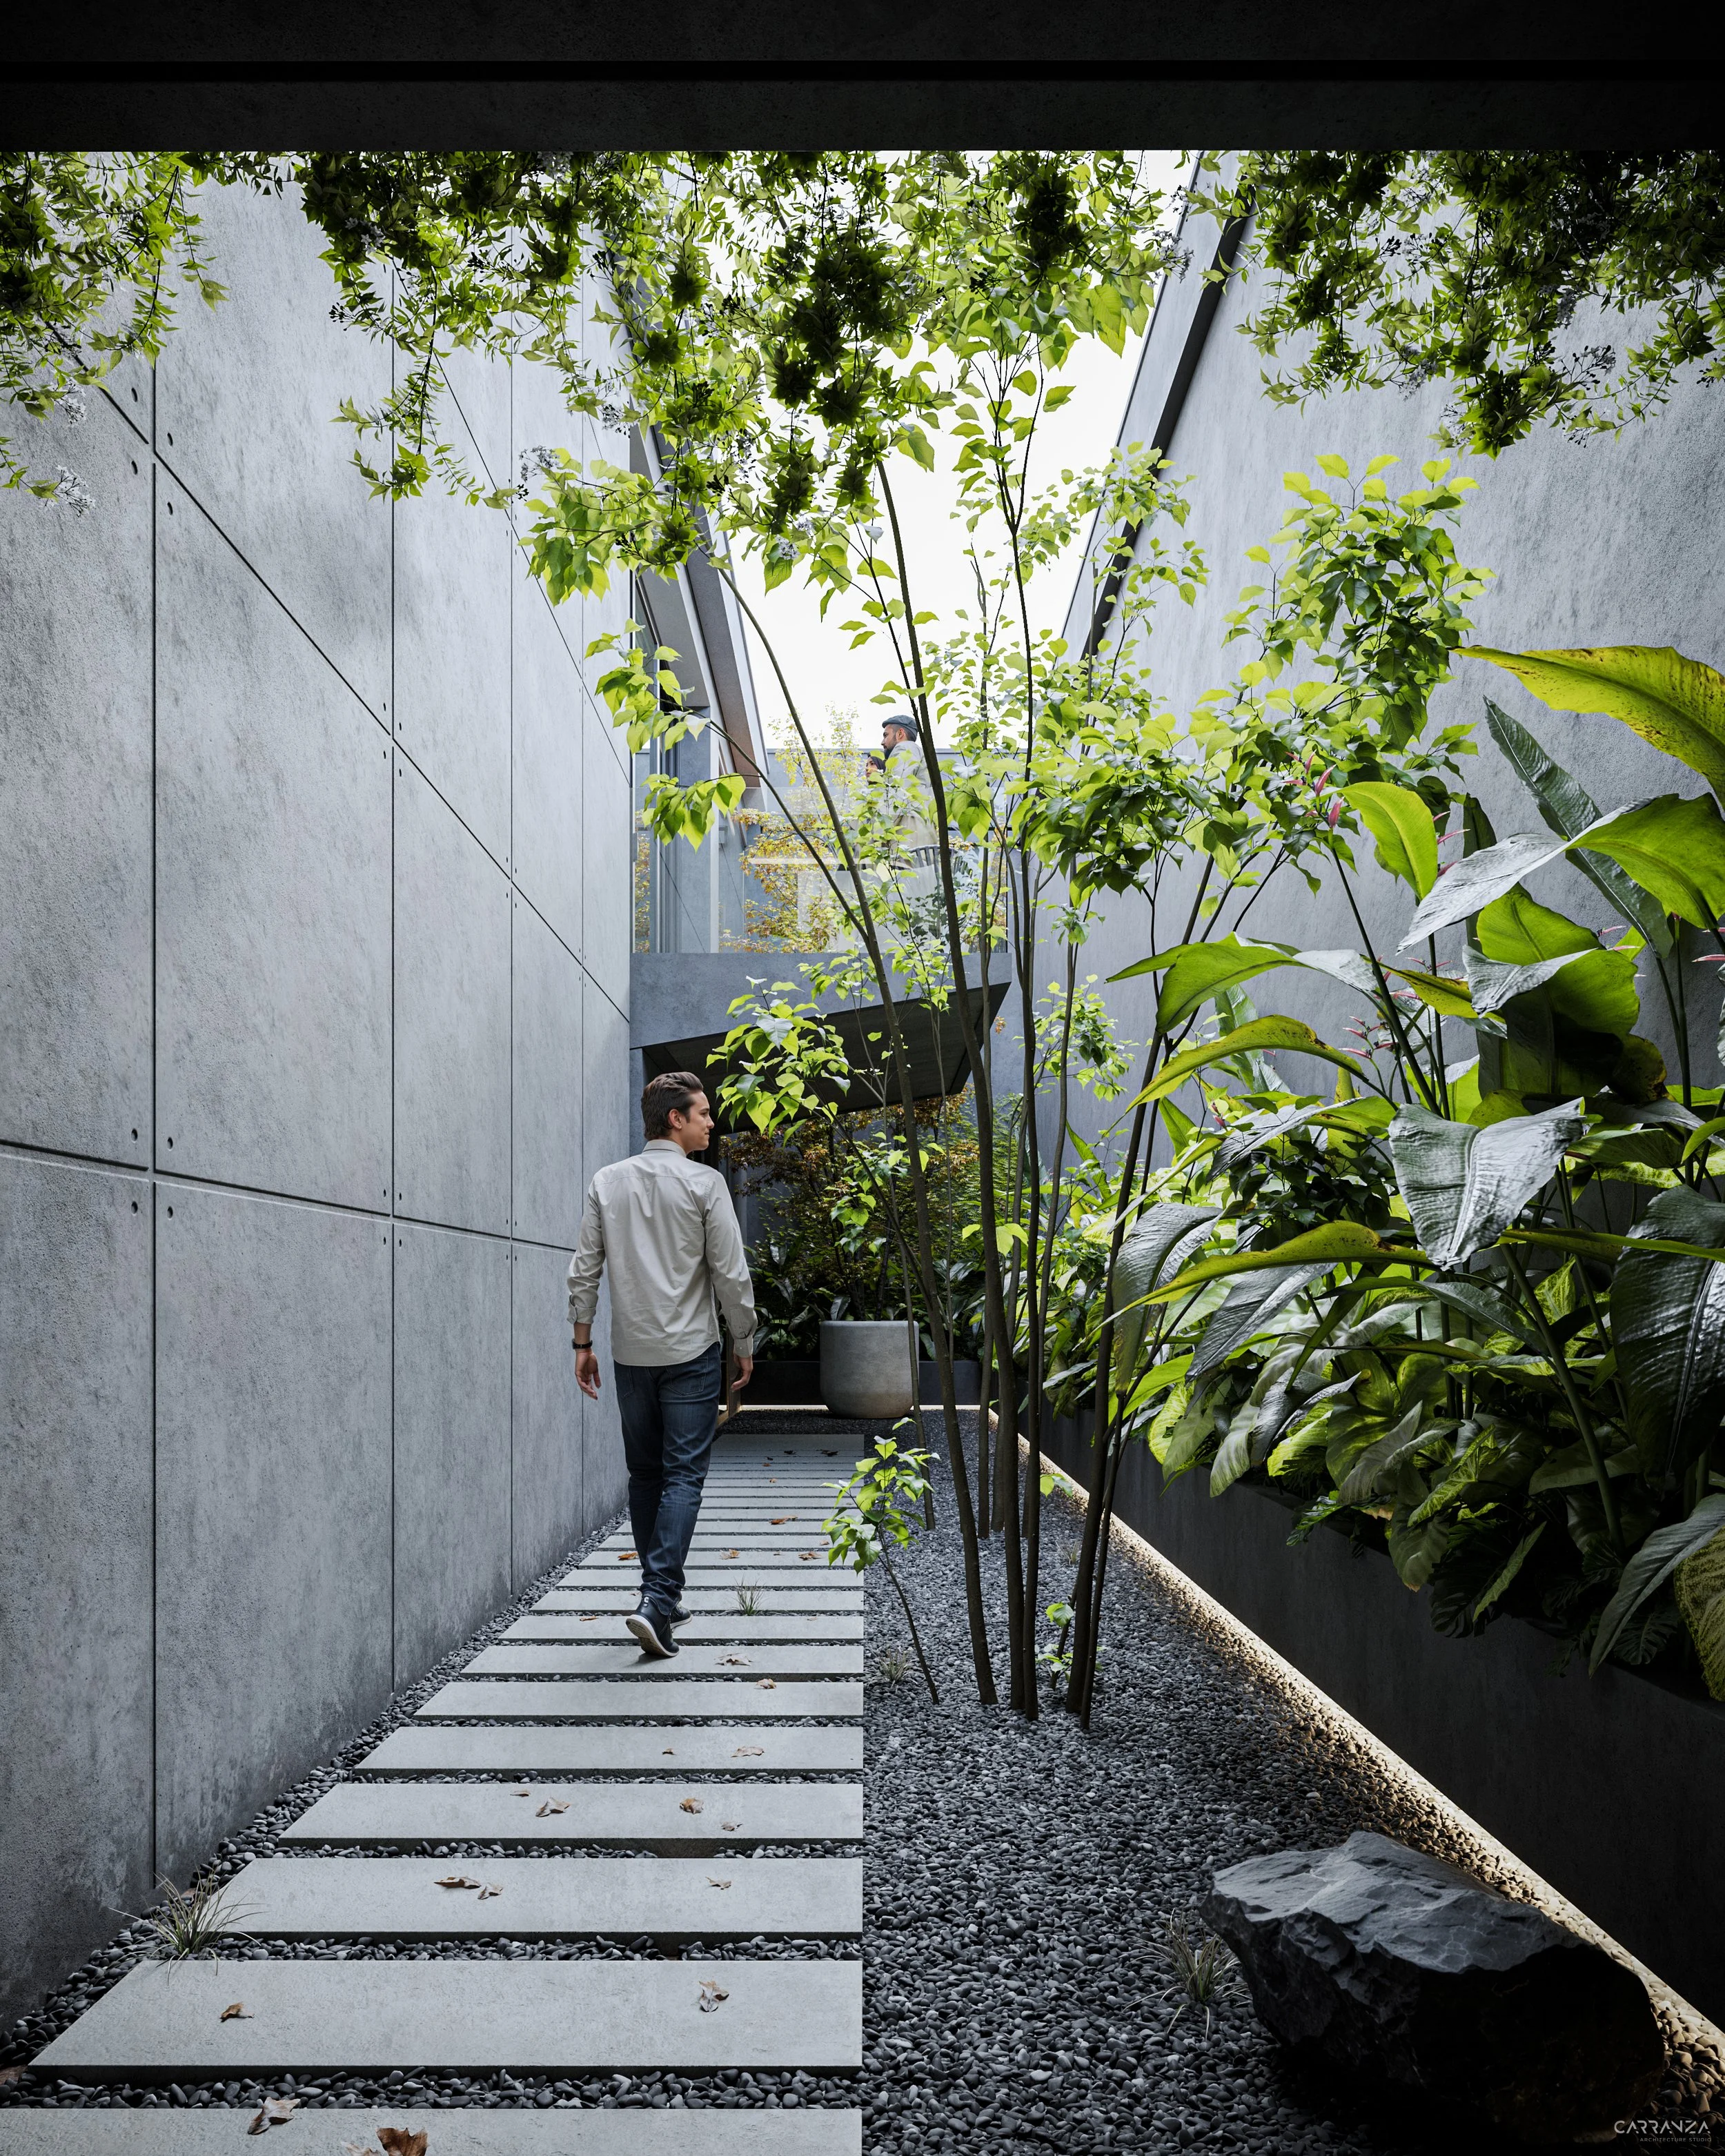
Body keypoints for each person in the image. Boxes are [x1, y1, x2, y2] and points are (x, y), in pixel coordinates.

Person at [567, 1071, 758, 1659]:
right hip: (691, 1355)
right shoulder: (706, 1184)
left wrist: (582, 1342)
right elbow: (730, 1273)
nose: (711, 1121)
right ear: (674, 1118)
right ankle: (656, 1600)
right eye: (702, 1112)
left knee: (646, 1475)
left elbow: (584, 1268)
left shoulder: (607, 1180)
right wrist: (744, 1341)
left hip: (630, 1353)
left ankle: (663, 1599)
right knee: (682, 1477)